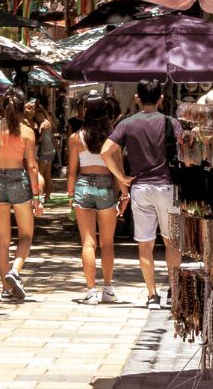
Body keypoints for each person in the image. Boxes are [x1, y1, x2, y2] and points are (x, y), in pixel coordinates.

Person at [104, 82, 180, 308]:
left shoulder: (127, 123)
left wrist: (121, 177)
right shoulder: (171, 123)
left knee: (145, 244)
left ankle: (152, 295)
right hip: (168, 187)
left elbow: (106, 151)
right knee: (172, 243)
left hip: (140, 188)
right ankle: (174, 291)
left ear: (137, 98)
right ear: (161, 98)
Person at [0, 93, 42, 301]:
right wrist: (37, 196)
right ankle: (15, 271)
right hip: (19, 179)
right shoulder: (27, 131)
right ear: (21, 110)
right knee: (26, 235)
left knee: (3, 240)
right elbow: (32, 166)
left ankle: (5, 288)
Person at [66, 96, 128, 304]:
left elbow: (72, 170)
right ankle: (107, 289)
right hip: (106, 186)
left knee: (88, 242)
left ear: (86, 111)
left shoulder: (76, 138)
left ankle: (91, 291)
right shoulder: (112, 137)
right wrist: (125, 194)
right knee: (107, 243)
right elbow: (118, 170)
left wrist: (70, 194)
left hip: (83, 185)